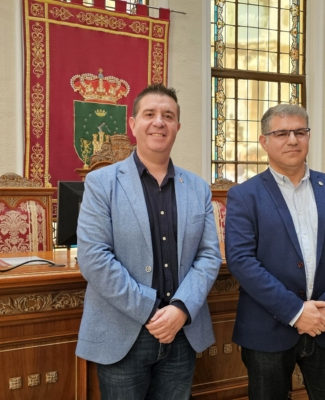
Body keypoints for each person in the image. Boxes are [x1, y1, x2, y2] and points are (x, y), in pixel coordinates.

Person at [75, 84, 222, 400]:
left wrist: (180, 309)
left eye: (168, 116)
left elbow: (209, 255)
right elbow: (94, 258)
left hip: (181, 332)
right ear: (133, 124)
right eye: (150, 114)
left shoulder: (197, 188)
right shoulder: (101, 184)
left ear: (177, 127)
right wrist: (150, 309)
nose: (159, 122)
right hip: (123, 331)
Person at [225, 104, 325, 400]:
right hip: (267, 329)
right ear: (264, 141)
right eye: (281, 133)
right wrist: (295, 311)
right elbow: (241, 261)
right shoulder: (244, 196)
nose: (292, 139)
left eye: (299, 132)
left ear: (308, 136)